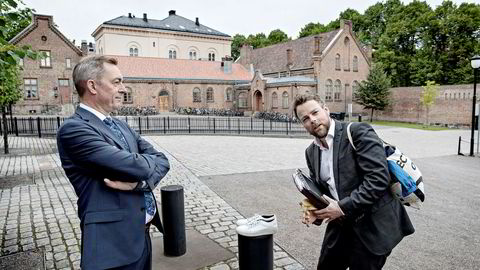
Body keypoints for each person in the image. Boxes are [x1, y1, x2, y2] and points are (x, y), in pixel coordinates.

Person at [57, 55, 170, 270]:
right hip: (112, 244)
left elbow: (163, 160)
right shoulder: (74, 130)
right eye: (116, 82)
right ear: (92, 85)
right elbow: (140, 166)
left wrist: (140, 184)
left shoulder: (120, 125)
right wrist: (145, 163)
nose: (124, 88)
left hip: (141, 235)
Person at [292, 94, 414, 270]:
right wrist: (313, 210)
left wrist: (341, 207)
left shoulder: (357, 132)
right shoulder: (311, 152)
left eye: (315, 112)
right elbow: (321, 190)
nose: (312, 120)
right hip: (340, 225)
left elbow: (378, 179)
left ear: (326, 110)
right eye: (305, 118)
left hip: (372, 226)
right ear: (303, 124)